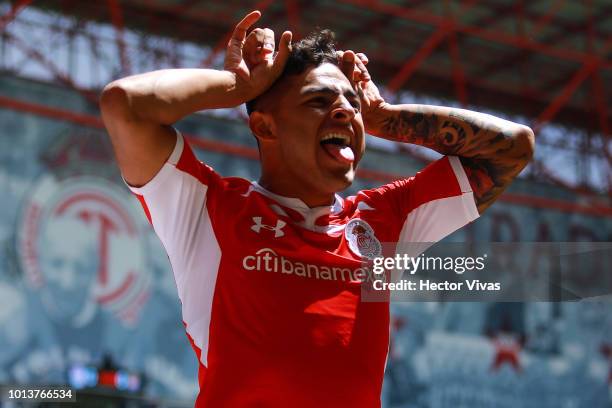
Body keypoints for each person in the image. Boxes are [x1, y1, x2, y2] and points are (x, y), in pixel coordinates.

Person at [100, 10, 534, 407]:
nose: (346, 112)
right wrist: (237, 86)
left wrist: (385, 116)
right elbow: (125, 106)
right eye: (320, 101)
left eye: (352, 103)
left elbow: (513, 148)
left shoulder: (384, 219)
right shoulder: (207, 205)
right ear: (264, 125)